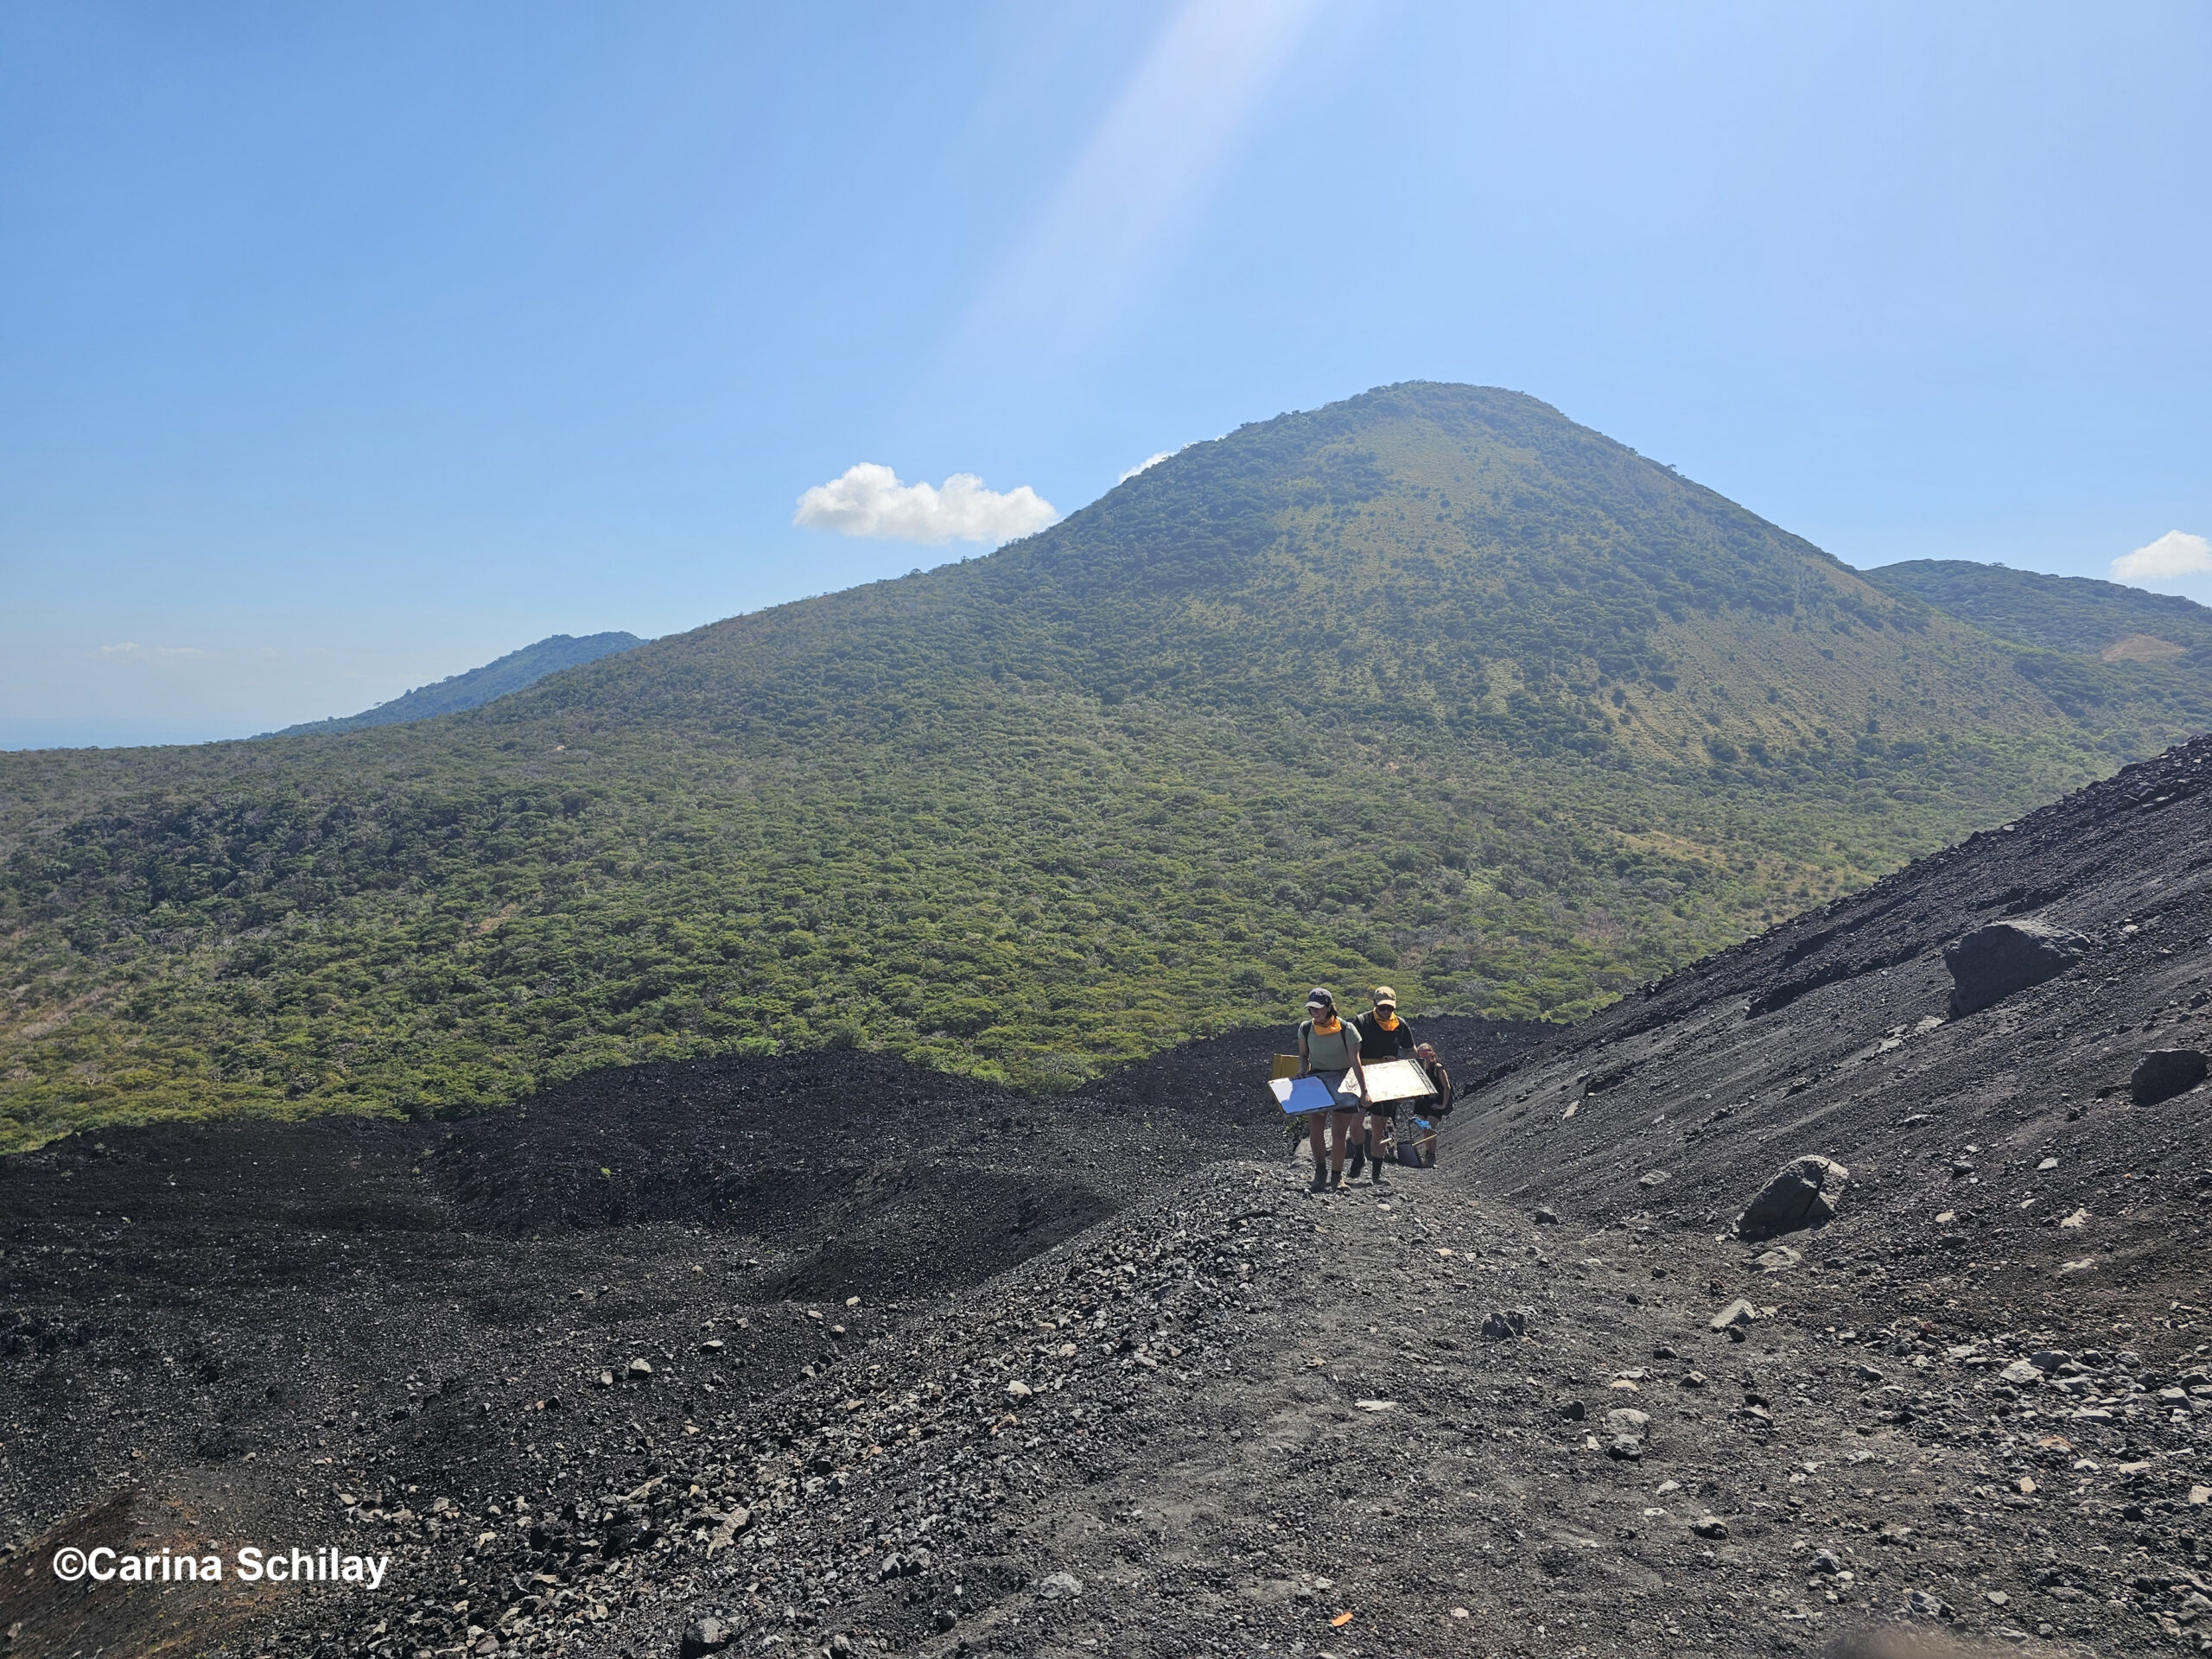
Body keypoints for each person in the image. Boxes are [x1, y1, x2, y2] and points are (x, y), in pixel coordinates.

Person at [1295, 988, 1368, 1192]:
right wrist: (1302, 1070)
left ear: (1329, 1007)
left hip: (1344, 1081)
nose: (1315, 1012)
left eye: (1318, 1008)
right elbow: (1303, 1055)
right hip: (1317, 1080)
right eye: (1311, 1008)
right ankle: (1320, 1172)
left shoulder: (1348, 1029)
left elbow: (1356, 1062)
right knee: (1316, 1130)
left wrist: (1364, 1091)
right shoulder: (1306, 1029)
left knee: (1338, 1133)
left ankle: (1337, 1177)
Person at [1349, 987, 1416, 1184]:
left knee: (1379, 1126)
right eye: (1382, 1008)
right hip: (1363, 1076)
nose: (1386, 1012)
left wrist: (1396, 1060)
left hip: (1387, 1079)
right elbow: (1354, 1053)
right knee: (1356, 1121)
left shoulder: (1400, 1025)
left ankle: (1376, 1175)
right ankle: (1359, 1156)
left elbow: (1411, 1051)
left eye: (1389, 1008)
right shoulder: (1361, 1022)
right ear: (1374, 1005)